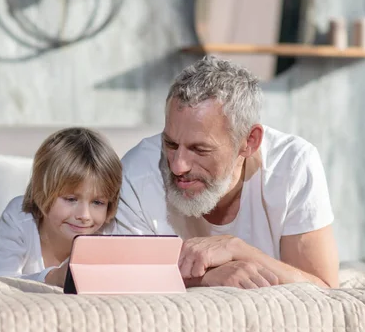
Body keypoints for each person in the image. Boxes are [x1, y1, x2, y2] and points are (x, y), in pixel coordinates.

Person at [116, 55, 339, 289]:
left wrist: (236, 249)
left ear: (249, 141)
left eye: (199, 149)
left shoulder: (293, 164)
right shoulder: (138, 171)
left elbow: (323, 290)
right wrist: (206, 278)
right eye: (170, 144)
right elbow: (121, 277)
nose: (177, 166)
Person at [0, 127, 123, 287]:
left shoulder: (109, 232)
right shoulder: (20, 218)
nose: (84, 215)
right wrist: (52, 279)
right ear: (42, 192)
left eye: (97, 202)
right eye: (70, 199)